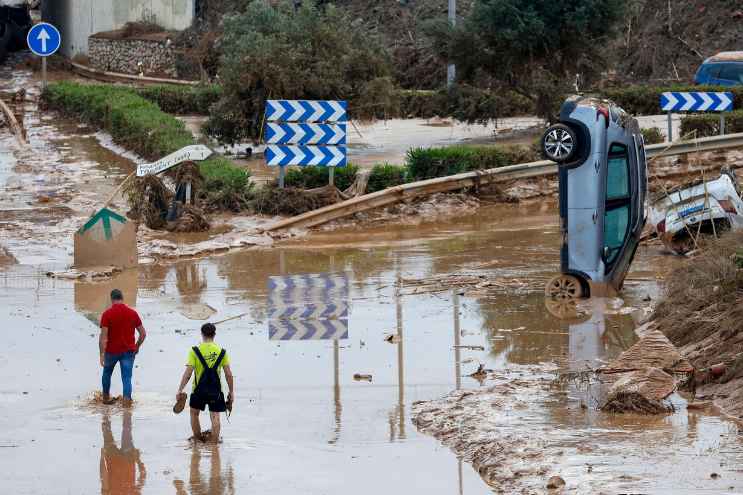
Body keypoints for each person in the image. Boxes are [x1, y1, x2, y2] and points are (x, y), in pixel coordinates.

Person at [176, 323, 234, 443]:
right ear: (214, 334)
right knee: (215, 416)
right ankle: (214, 444)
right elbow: (228, 374)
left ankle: (198, 440)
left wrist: (180, 389)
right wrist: (231, 391)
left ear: (202, 334)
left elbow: (188, 373)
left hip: (198, 390)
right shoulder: (222, 352)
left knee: (194, 414)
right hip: (216, 391)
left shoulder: (194, 351)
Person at [100, 289, 147, 405]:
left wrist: (101, 354)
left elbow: (103, 337)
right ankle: (126, 402)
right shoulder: (132, 313)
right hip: (128, 351)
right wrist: (137, 346)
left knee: (107, 373)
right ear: (122, 298)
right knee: (126, 378)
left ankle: (106, 398)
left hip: (111, 351)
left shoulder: (107, 314)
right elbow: (143, 333)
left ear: (112, 299)